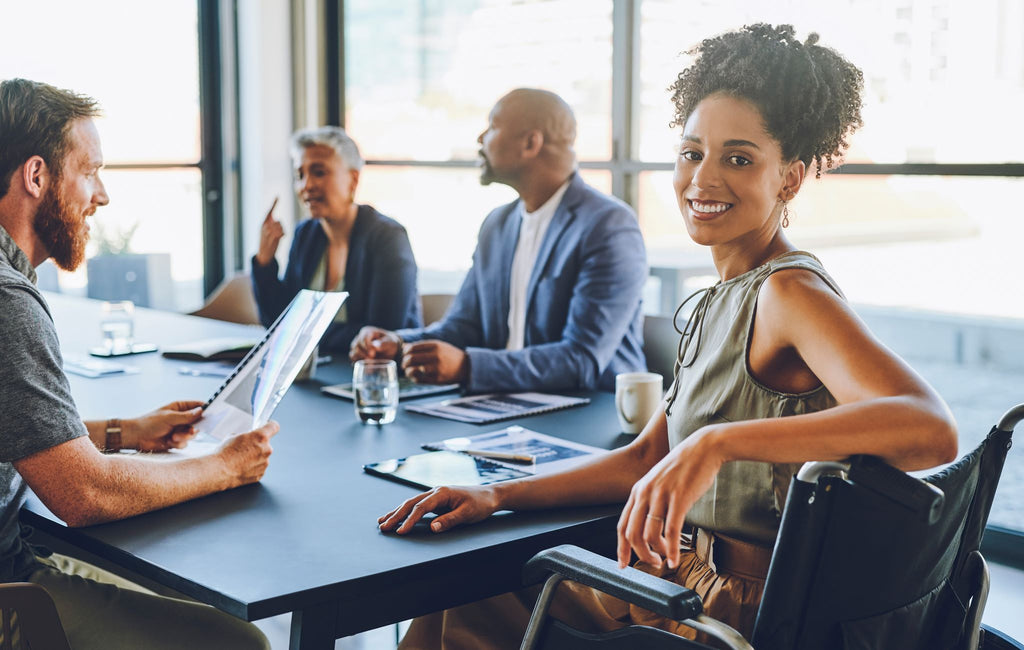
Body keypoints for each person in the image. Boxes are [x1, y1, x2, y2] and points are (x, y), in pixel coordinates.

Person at [377, 25, 959, 648]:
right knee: (449, 604)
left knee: (463, 606)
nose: (703, 179)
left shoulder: (788, 294)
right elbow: (643, 458)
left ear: (788, 179)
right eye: (691, 153)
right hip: (681, 579)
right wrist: (494, 494)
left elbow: (929, 427)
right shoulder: (716, 301)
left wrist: (717, 443)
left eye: (738, 158)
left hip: (725, 613)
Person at [0, 78, 276, 649]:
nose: (101, 196)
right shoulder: (8, 303)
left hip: (17, 559)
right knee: (239, 643)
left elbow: (23, 436)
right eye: (91, 171)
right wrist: (228, 466)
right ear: (36, 176)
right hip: (10, 590)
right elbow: (84, 495)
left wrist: (127, 431)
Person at [350, 88, 647, 393]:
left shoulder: (608, 226)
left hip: (587, 412)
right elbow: (462, 328)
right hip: (503, 403)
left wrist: (467, 366)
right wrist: (397, 344)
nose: (481, 139)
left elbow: (581, 360)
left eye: (492, 126)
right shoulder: (498, 224)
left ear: (531, 143)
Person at [251, 125, 420, 354]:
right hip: (320, 373)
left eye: (319, 172)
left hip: (376, 375)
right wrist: (264, 263)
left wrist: (302, 332)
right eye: (300, 175)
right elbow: (280, 322)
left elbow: (379, 333)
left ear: (353, 180)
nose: (306, 185)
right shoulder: (306, 234)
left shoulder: (388, 238)